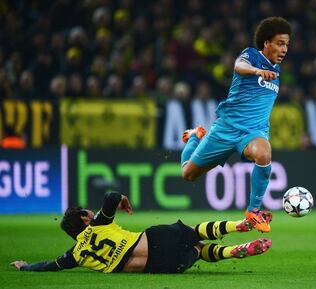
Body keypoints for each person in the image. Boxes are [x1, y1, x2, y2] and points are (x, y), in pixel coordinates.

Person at [181, 17, 291, 233]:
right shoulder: (251, 55)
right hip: (225, 129)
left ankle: (254, 211)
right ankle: (195, 136)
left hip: (253, 132)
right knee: (188, 175)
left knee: (264, 154)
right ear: (266, 43)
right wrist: (256, 71)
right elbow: (239, 66)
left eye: (287, 44)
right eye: (280, 43)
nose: (285, 49)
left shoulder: (277, 72)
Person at [10, 192, 273, 274]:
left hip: (164, 267)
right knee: (194, 232)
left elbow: (48, 266)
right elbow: (111, 196)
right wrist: (123, 200)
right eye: (85, 211)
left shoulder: (76, 254)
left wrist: (24, 267)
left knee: (199, 251)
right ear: (84, 219)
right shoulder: (99, 223)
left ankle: (233, 252)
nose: (90, 212)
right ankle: (239, 224)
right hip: (154, 240)